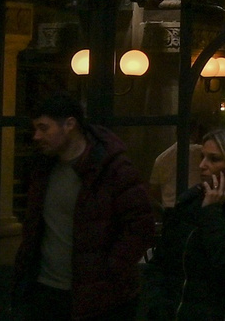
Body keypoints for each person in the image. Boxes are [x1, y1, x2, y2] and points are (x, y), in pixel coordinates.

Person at [13, 93, 157, 321]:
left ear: (69, 124)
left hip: (99, 298)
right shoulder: (41, 167)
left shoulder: (112, 169)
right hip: (45, 290)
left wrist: (108, 272)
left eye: (44, 128)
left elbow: (140, 227)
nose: (37, 136)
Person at [141, 129, 225, 321]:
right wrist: (157, 306)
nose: (202, 166)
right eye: (202, 157)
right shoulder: (190, 201)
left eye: (214, 159)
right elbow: (162, 262)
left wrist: (211, 212)